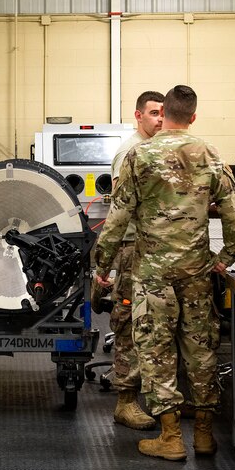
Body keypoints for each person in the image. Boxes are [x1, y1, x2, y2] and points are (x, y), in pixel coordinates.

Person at [94, 85, 235, 461]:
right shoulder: (211, 155)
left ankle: (172, 437)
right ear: (193, 117)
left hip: (152, 274)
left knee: (156, 350)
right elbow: (233, 219)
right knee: (201, 349)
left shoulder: (139, 155)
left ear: (166, 116)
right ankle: (206, 436)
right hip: (196, 270)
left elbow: (117, 219)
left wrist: (102, 264)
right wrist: (226, 256)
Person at [95, 90, 164, 431]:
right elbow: (121, 211)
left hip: (153, 249)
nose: (160, 119)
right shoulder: (130, 151)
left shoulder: (157, 149)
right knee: (128, 323)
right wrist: (104, 263)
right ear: (138, 116)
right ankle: (125, 401)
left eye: (163, 113)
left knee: (154, 324)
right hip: (131, 249)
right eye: (153, 113)